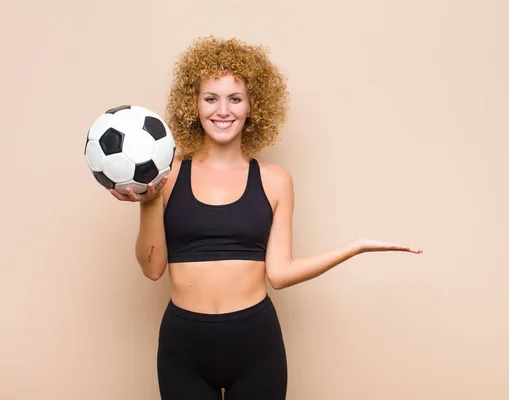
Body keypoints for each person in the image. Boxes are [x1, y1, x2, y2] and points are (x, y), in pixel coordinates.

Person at [108, 36, 423, 400]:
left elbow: (280, 273)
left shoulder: (275, 181)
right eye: (211, 98)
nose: (222, 110)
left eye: (235, 99)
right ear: (193, 105)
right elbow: (152, 269)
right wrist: (147, 202)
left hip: (256, 344)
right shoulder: (168, 173)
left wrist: (354, 248)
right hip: (184, 344)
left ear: (252, 106)